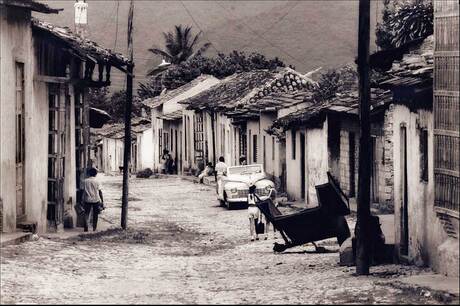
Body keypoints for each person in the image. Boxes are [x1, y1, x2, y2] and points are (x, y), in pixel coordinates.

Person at [82, 167, 104, 232]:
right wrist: (102, 201)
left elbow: (82, 191)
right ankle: (94, 228)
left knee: (86, 214)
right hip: (96, 200)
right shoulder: (97, 181)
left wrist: (81, 199)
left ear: (89, 173)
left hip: (87, 199)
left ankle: (86, 228)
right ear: (96, 174)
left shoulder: (85, 181)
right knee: (95, 214)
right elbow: (100, 192)